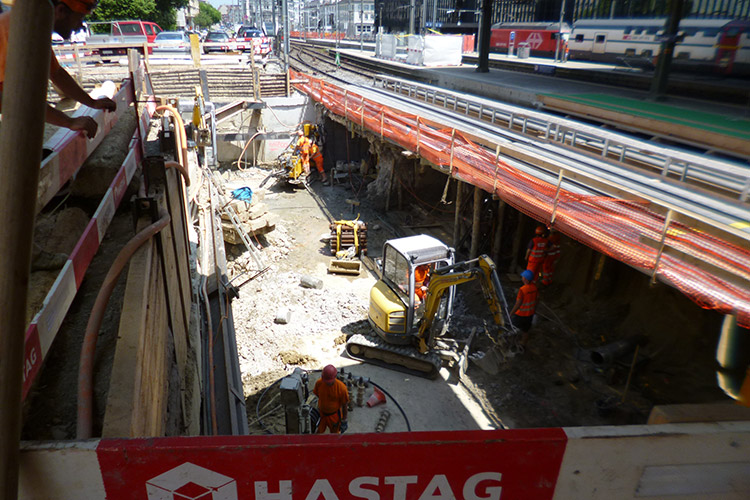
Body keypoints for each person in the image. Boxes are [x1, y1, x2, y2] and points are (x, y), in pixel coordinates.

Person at [0, 0, 116, 138]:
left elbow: (56, 74)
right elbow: (10, 99)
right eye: (80, 18)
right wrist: (68, 122)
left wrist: (92, 102)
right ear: (61, 11)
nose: (80, 25)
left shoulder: (32, 27)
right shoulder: (19, 31)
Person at [313, 364, 349, 434]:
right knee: (318, 431)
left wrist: (344, 420)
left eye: (329, 382)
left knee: (334, 434)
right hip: (322, 414)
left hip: (334, 416)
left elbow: (345, 405)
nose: (327, 383)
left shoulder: (341, 388)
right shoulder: (319, 383)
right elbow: (317, 394)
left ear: (335, 377)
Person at [510, 269, 538, 348]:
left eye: (522, 277)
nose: (522, 278)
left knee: (513, 329)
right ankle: (523, 343)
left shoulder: (522, 290)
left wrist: (511, 313)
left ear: (525, 279)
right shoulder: (534, 288)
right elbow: (536, 300)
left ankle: (512, 344)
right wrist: (534, 311)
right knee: (526, 330)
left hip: (520, 314)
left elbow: (518, 303)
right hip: (530, 314)